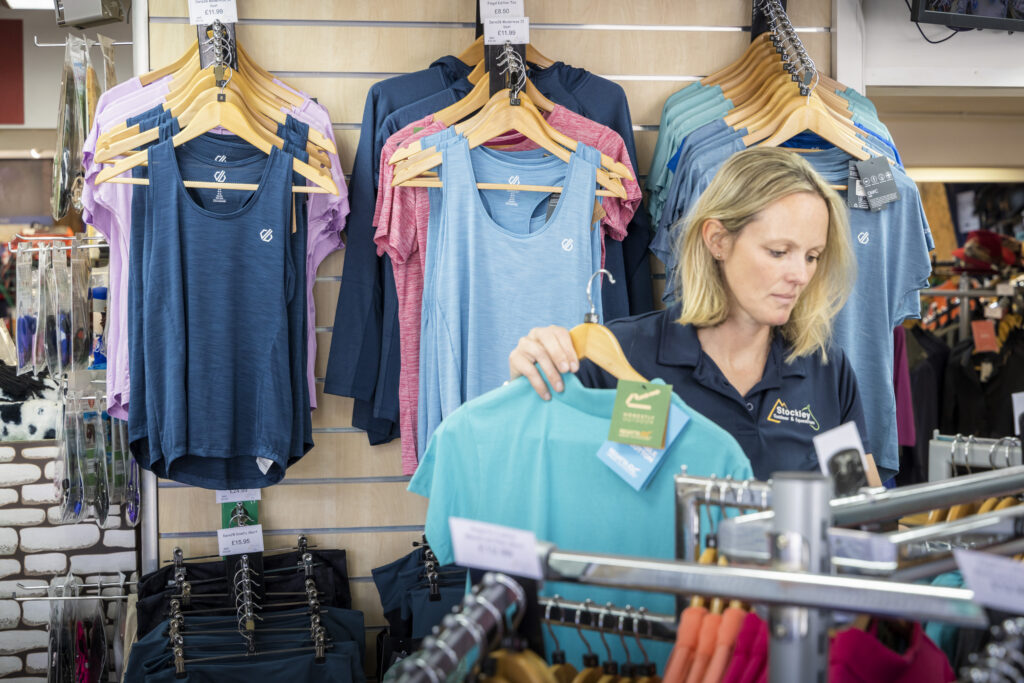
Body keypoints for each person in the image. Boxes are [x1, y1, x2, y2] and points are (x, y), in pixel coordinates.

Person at [508, 147, 871, 480]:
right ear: (717, 240)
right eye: (779, 252)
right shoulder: (621, 355)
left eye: (812, 256)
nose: (801, 275)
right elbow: (533, 469)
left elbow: (859, 506)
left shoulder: (827, 369)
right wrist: (527, 374)